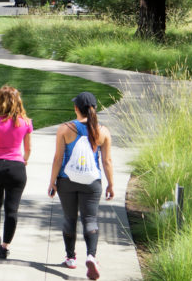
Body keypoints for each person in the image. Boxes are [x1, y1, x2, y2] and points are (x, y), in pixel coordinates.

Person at [48, 92, 115, 280]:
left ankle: (70, 257)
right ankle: (91, 256)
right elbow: (107, 161)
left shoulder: (64, 129)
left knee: (70, 218)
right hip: (92, 183)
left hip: (66, 181)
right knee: (90, 219)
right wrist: (110, 184)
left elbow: (58, 158)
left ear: (76, 108)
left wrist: (52, 181)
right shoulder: (103, 131)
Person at [0, 85, 33, 259]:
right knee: (12, 210)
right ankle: (5, 247)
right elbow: (29, 148)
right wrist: (24, 159)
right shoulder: (26, 122)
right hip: (16, 167)